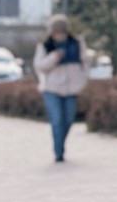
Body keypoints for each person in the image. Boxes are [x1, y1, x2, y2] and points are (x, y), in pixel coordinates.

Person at [33, 14, 88, 163]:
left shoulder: (76, 44)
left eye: (61, 32)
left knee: (68, 120)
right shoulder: (45, 45)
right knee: (57, 120)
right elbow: (40, 66)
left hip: (72, 88)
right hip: (51, 88)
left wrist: (83, 80)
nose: (58, 35)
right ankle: (58, 152)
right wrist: (54, 57)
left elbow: (85, 62)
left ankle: (61, 144)